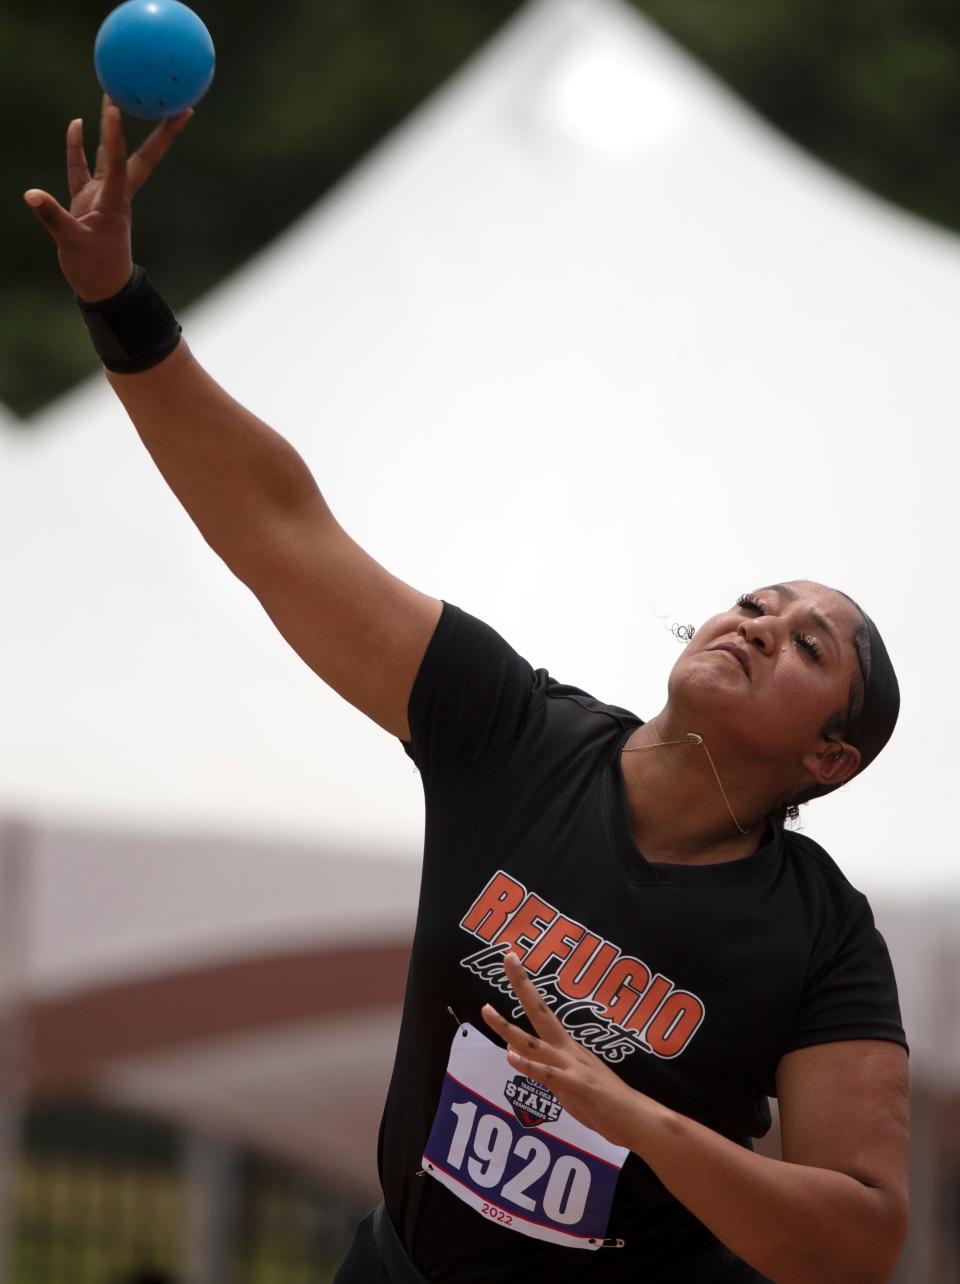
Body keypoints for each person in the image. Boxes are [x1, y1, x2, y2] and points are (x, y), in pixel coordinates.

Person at [25, 99, 910, 1284]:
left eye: (811, 646)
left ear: (830, 760)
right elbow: (283, 532)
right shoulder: (513, 734)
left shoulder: (822, 938)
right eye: (758, 601)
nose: (761, 623)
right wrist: (118, 303)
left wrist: (629, 1115)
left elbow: (857, 1239)